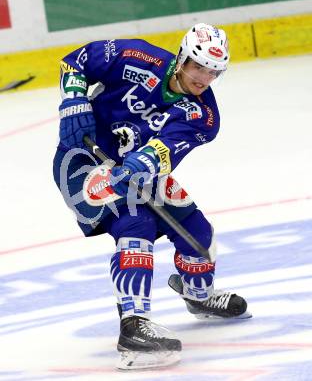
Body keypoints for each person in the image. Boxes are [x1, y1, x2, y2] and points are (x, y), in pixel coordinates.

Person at [53, 23, 251, 370]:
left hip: (137, 171)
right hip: (82, 161)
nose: (203, 78)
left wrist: (138, 163)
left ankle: (198, 295)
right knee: (136, 222)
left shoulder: (202, 115)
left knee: (197, 231)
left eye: (212, 72)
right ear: (182, 58)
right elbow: (77, 60)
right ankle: (133, 326)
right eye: (198, 66)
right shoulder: (137, 56)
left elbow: (162, 151)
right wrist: (74, 100)